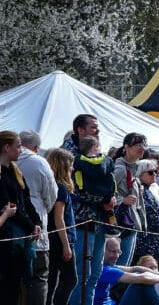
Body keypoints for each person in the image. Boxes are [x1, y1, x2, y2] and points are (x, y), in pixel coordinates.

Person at [62, 114, 117, 305]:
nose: (97, 131)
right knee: (80, 274)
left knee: (95, 273)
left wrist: (110, 198)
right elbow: (70, 189)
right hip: (78, 222)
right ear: (80, 130)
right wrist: (101, 200)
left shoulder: (99, 154)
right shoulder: (66, 155)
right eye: (93, 127)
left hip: (100, 221)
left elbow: (109, 174)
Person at [0, 130, 43, 304]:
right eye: (18, 147)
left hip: (21, 235)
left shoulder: (15, 171)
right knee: (6, 287)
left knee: (17, 286)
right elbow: (9, 206)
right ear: (6, 147)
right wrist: (29, 225)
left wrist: (36, 223)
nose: (21, 150)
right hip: (7, 239)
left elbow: (26, 201)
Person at [17, 130, 58, 305]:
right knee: (38, 276)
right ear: (36, 147)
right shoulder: (39, 162)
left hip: (11, 226)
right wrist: (43, 211)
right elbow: (51, 195)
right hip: (35, 226)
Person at [95, 237, 159, 305]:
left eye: (118, 252)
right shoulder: (103, 270)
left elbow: (135, 268)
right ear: (101, 250)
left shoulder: (107, 266)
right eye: (113, 251)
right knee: (142, 282)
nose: (117, 256)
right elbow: (143, 278)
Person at [46, 148, 79, 305]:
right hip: (60, 240)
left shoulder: (53, 186)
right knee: (70, 279)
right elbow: (59, 218)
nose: (72, 169)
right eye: (71, 165)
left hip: (52, 239)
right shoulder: (61, 188)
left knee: (52, 279)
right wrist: (66, 245)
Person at [113, 132, 149, 266]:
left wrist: (143, 224)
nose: (141, 148)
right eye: (137, 144)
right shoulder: (120, 169)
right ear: (126, 147)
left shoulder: (135, 169)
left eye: (143, 145)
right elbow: (105, 193)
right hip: (122, 224)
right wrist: (122, 199)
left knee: (125, 267)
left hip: (132, 224)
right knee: (120, 267)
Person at [133, 159, 159, 270]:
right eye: (151, 172)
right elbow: (147, 211)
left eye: (156, 171)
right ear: (140, 174)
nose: (155, 175)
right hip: (146, 244)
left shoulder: (147, 190)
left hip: (154, 242)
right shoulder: (139, 190)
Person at [74, 135, 118, 230]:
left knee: (84, 244)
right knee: (101, 243)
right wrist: (111, 198)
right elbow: (113, 181)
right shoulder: (108, 162)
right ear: (95, 147)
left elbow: (78, 188)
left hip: (84, 215)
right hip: (104, 214)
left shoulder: (78, 162)